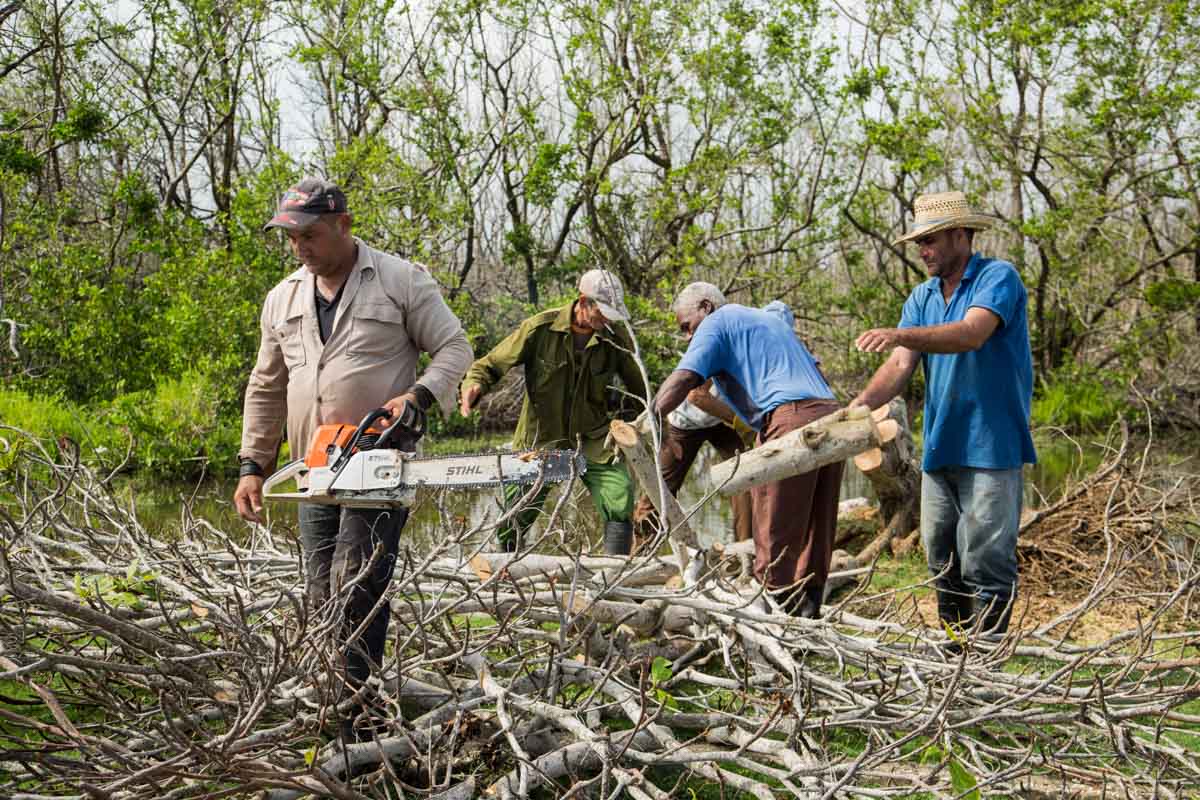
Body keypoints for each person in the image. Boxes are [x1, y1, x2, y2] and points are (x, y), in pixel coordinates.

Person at [233, 177, 473, 735]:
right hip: (313, 466)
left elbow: (455, 348)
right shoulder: (283, 297)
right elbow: (265, 387)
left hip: (378, 463)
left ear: (343, 225)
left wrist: (417, 397)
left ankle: (358, 716)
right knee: (321, 588)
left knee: (357, 582)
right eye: (291, 238)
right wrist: (252, 465)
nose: (300, 247)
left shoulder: (399, 280)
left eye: (310, 235)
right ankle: (332, 700)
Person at [851, 190, 1036, 638]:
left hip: (992, 445)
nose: (922, 250)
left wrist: (900, 332)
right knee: (941, 557)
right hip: (940, 446)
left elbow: (971, 334)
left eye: (930, 240)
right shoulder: (922, 296)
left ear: (960, 235)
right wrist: (856, 410)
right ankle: (954, 655)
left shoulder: (998, 277)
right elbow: (899, 365)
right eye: (918, 242)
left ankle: (985, 659)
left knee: (987, 560)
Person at [652, 283, 843, 619]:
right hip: (830, 412)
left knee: (773, 523)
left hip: (790, 416)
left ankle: (772, 618)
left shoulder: (717, 322)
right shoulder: (767, 320)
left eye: (686, 326)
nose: (687, 337)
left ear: (706, 307)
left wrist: (649, 418)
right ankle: (808, 615)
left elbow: (683, 378)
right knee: (817, 521)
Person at [459, 270, 648, 554]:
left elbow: (639, 388)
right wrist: (474, 385)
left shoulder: (615, 338)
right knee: (517, 510)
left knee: (619, 492)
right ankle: (506, 569)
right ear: (583, 302)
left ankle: (616, 573)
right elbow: (490, 364)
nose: (606, 320)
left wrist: (647, 424)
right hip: (541, 438)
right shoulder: (540, 329)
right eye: (602, 312)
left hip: (593, 436)